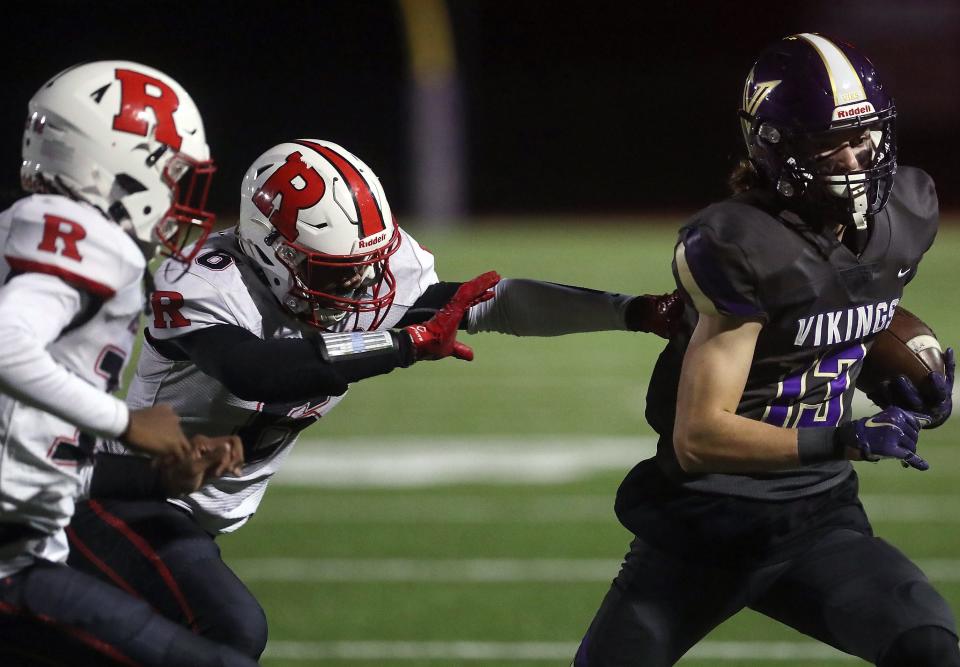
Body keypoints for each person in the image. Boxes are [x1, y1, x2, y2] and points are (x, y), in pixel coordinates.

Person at [65, 138, 683, 657]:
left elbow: (493, 299)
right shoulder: (203, 279)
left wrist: (633, 311)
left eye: (369, 263)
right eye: (333, 272)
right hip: (119, 494)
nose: (361, 285)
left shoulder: (377, 271)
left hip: (189, 508)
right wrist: (405, 343)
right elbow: (256, 371)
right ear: (268, 253)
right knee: (229, 630)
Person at [572, 33, 958, 667]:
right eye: (832, 141)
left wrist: (910, 374)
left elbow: (849, 306)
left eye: (866, 135)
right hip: (706, 525)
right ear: (777, 146)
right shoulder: (740, 242)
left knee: (929, 649)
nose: (858, 156)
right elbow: (700, 437)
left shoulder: (907, 212)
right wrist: (849, 437)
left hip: (818, 518)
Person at [0, 60, 261, 666]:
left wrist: (152, 476)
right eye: (171, 172)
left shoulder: (27, 229)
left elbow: (25, 452)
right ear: (119, 162)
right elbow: (7, 344)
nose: (179, 194)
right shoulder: (85, 235)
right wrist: (127, 425)